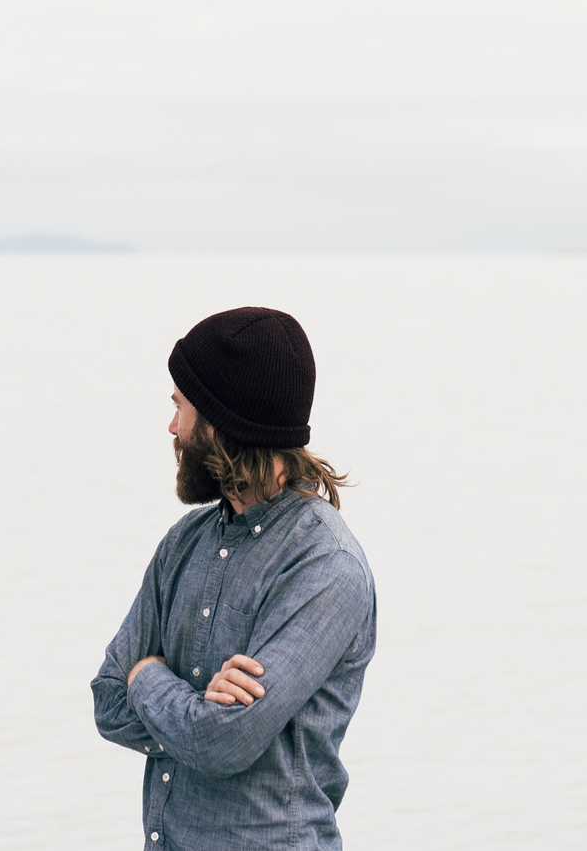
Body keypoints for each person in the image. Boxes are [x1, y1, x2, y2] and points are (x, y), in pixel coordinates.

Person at [90, 306, 377, 849]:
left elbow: (226, 742)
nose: (172, 427)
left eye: (181, 407)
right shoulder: (184, 542)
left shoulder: (325, 568)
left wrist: (148, 676)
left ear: (223, 421)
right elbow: (106, 698)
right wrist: (195, 708)